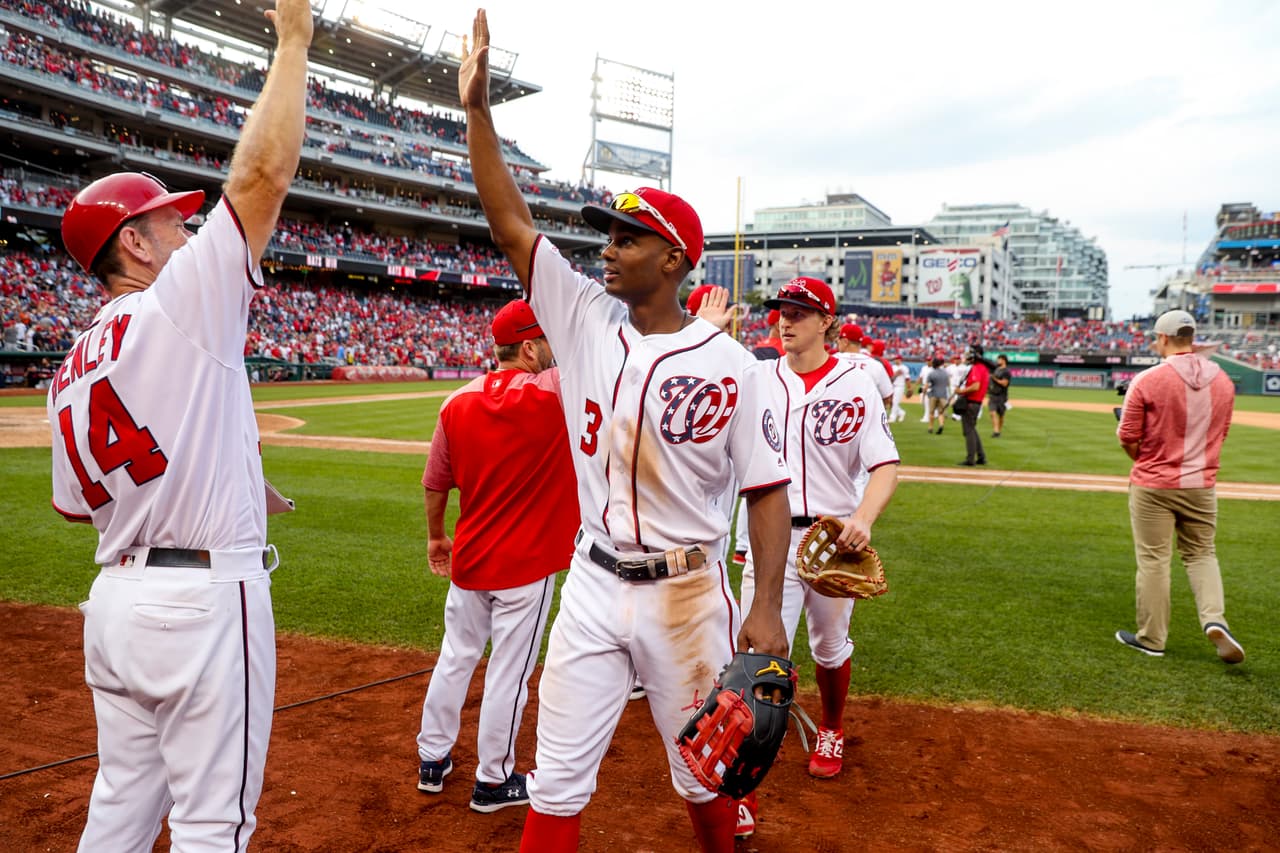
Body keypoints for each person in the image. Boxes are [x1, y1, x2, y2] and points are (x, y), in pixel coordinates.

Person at [458, 13, 791, 852]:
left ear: (675, 259)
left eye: (628, 238)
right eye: (607, 235)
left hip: (686, 591)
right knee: (559, 776)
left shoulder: (732, 364)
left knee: (706, 770)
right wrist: (477, 115)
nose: (608, 250)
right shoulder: (579, 318)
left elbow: (766, 492)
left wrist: (768, 609)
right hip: (593, 580)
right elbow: (511, 226)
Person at [46, 1, 311, 848]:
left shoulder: (68, 364)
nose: (188, 225)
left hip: (116, 603)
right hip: (200, 603)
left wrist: (212, 470)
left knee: (120, 805)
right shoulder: (175, 303)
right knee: (212, 825)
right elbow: (261, 181)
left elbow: (71, 502)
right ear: (135, 246)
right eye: (171, 220)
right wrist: (295, 41)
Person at [415, 298, 578, 812]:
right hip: (524, 566)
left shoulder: (457, 400)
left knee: (455, 658)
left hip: (470, 558)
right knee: (509, 672)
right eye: (545, 342)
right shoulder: (556, 392)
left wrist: (436, 537)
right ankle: (493, 780)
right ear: (529, 347)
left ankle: (432, 759)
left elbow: (435, 482)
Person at [740, 276, 899, 792]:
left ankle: (831, 727)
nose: (786, 320)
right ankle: (745, 786)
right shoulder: (759, 378)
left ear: (827, 321)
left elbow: (885, 466)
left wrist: (864, 520)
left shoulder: (855, 383)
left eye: (800, 312)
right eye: (782, 310)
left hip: (832, 541)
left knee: (830, 647)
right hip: (769, 540)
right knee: (758, 652)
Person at [1114, 310, 1245, 664]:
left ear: (1163, 338)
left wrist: (1145, 457)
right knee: (1202, 554)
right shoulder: (1223, 380)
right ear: (1192, 337)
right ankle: (1215, 620)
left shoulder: (1148, 379)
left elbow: (1127, 437)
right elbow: (1222, 434)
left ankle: (1152, 638)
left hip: (1154, 483)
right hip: (1201, 484)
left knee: (1154, 560)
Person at [954, 344, 990, 466]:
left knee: (968, 431)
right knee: (972, 429)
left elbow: (976, 386)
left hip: (971, 402)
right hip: (976, 402)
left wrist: (961, 391)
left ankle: (970, 459)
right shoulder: (983, 368)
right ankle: (981, 456)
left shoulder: (977, 368)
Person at [924, 355, 950, 434]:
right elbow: (948, 383)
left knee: (931, 412)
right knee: (940, 412)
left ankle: (930, 427)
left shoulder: (931, 373)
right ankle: (941, 425)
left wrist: (924, 391)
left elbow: (927, 385)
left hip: (933, 394)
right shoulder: (945, 373)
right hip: (943, 394)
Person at [988, 353, 1011, 436]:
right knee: (992, 412)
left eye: (999, 359)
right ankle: (996, 430)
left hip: (1002, 396)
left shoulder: (1006, 371)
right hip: (993, 394)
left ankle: (999, 431)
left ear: (1003, 360)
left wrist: (995, 379)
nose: (997, 361)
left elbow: (1005, 383)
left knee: (1001, 415)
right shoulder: (996, 369)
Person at [889, 354, 910, 423]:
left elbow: (907, 379)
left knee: (895, 401)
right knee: (891, 402)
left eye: (897, 359)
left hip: (900, 386)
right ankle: (901, 413)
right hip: (893, 386)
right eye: (895, 359)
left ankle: (893, 417)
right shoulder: (892, 367)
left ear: (900, 360)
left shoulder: (904, 368)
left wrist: (909, 388)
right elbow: (890, 377)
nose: (896, 360)